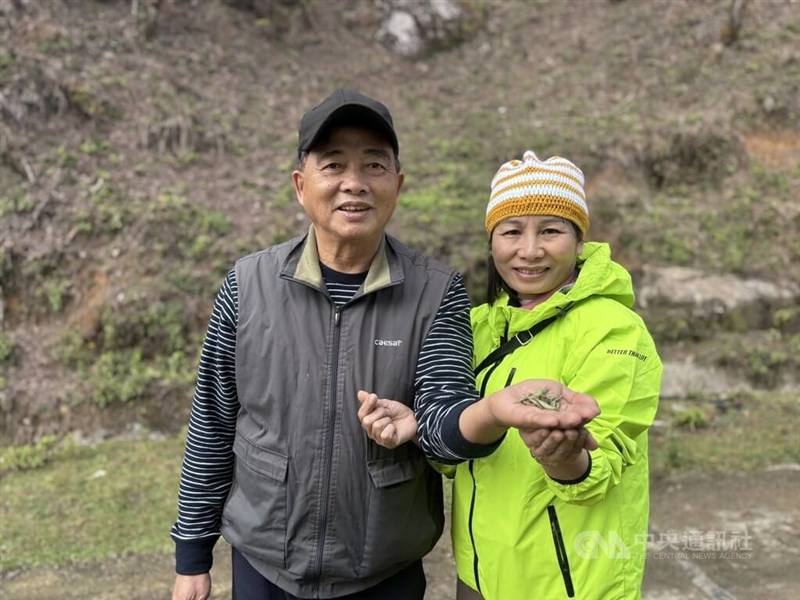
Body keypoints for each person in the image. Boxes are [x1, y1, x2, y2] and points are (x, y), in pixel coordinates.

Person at [170, 91, 600, 600]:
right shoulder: (246, 286)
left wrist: (491, 412)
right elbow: (212, 425)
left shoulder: (436, 291)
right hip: (265, 567)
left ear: (397, 185)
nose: (354, 182)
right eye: (334, 165)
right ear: (301, 185)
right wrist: (192, 556)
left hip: (383, 573)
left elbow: (442, 423)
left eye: (374, 164)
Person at [359, 150, 662, 599]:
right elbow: (458, 454)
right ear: (492, 241)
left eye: (552, 231)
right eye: (512, 231)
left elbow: (602, 464)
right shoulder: (479, 326)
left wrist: (564, 458)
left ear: (580, 242)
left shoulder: (613, 329)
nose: (530, 250)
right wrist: (423, 425)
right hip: (480, 578)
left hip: (571, 583)